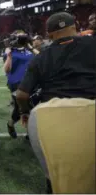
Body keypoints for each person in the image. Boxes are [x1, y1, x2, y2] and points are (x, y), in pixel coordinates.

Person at [16, 12, 96, 194]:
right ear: (75, 27)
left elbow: (21, 95)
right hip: (91, 111)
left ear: (49, 34)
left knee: (55, 177)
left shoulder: (41, 57)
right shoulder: (93, 44)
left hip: (52, 118)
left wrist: (24, 113)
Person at [3, 30, 34, 138]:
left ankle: (29, 132)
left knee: (31, 106)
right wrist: (9, 56)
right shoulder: (10, 52)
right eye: (20, 36)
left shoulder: (28, 50)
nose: (23, 37)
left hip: (30, 81)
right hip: (16, 83)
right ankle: (11, 125)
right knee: (20, 108)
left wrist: (30, 46)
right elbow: (6, 70)